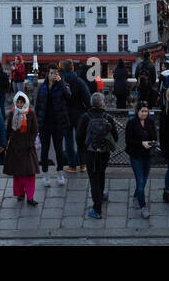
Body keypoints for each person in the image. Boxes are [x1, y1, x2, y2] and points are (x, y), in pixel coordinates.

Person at [75, 91, 118, 219]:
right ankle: (101, 194)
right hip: (104, 152)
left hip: (90, 152)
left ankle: (97, 209)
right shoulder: (108, 117)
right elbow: (115, 136)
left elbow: (78, 137)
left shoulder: (85, 117)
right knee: (101, 172)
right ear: (102, 104)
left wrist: (84, 148)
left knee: (93, 177)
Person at [35, 65, 71, 187]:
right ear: (47, 74)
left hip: (58, 123)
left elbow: (69, 97)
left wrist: (61, 83)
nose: (52, 75)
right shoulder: (43, 87)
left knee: (58, 149)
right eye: (51, 73)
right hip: (45, 123)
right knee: (44, 150)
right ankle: (45, 175)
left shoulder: (62, 86)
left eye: (55, 73)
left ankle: (59, 173)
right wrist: (37, 123)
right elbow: (38, 106)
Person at [3, 92, 40, 206]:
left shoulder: (31, 114)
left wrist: (30, 143)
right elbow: (8, 130)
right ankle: (20, 193)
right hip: (15, 148)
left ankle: (30, 196)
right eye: (18, 102)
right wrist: (5, 143)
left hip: (27, 148)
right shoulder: (12, 113)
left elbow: (35, 131)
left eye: (21, 102)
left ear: (25, 103)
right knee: (18, 173)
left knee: (29, 173)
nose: (19, 104)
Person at [125, 100, 156, 219]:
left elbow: (154, 136)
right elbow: (129, 141)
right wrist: (141, 143)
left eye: (146, 111)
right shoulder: (131, 123)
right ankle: (143, 207)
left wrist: (151, 142)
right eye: (142, 111)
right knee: (140, 179)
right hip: (136, 155)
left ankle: (136, 196)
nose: (144, 114)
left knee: (143, 179)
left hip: (147, 155)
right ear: (137, 111)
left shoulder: (150, 122)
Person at [59, 59, 92, 173]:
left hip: (65, 113)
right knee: (81, 139)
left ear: (62, 68)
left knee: (68, 140)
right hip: (79, 114)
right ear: (72, 68)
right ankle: (82, 164)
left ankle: (72, 165)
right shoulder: (79, 82)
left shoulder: (60, 82)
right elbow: (88, 100)